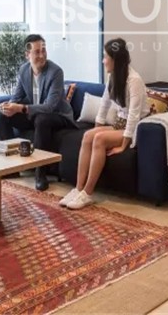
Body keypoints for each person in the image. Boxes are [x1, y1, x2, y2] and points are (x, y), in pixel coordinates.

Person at [60, 38, 149, 210]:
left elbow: (133, 116)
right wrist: (96, 129)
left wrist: (123, 145)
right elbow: (104, 105)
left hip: (136, 128)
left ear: (115, 60)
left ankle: (87, 193)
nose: (103, 60)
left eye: (105, 57)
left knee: (100, 139)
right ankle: (78, 189)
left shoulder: (134, 80)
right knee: (88, 136)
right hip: (119, 124)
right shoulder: (113, 77)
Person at [0, 34, 74, 191]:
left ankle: (40, 174)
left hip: (59, 115)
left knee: (41, 119)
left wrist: (22, 108)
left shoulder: (55, 72)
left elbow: (50, 106)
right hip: (36, 113)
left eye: (43, 51)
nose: (41, 55)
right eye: (37, 52)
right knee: (2, 116)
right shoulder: (24, 71)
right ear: (27, 55)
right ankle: (11, 168)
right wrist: (7, 106)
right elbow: (16, 97)